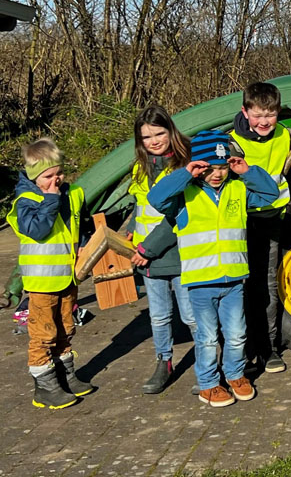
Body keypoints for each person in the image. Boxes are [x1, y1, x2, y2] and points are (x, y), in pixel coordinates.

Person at [148, 130, 279, 407]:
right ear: (198, 167)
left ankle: (234, 374)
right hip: (200, 282)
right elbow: (156, 198)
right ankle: (208, 383)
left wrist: (247, 171)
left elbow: (269, 194)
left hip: (233, 281)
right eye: (210, 168)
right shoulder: (184, 195)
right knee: (207, 338)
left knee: (236, 334)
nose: (218, 174)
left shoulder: (238, 189)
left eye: (222, 168)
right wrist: (186, 173)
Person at [7, 138, 94, 409]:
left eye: (59, 173)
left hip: (69, 275)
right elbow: (38, 230)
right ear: (35, 177)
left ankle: (66, 374)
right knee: (43, 333)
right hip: (43, 279)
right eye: (48, 176)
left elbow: (84, 225)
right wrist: (50, 200)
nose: (56, 180)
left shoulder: (73, 194)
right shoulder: (27, 200)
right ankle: (45, 386)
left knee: (66, 327)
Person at [127, 105, 198, 394]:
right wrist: (132, 227)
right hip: (148, 257)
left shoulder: (184, 167)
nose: (154, 141)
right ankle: (164, 362)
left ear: (171, 131)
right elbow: (140, 205)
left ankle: (209, 362)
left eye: (159, 133)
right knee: (158, 315)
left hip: (177, 252)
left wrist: (147, 248)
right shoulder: (140, 168)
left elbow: (177, 217)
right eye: (146, 137)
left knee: (192, 315)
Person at [230, 82, 291, 373]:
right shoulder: (232, 142)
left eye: (270, 114)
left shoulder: (286, 135)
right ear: (245, 111)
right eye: (258, 115)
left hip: (273, 219)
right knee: (240, 287)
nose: (265, 121)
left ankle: (268, 348)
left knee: (268, 286)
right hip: (240, 223)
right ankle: (241, 349)